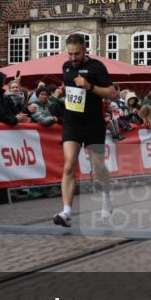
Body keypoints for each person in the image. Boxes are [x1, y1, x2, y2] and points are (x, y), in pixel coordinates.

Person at [53, 33, 116, 228]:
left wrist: (89, 86)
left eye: (76, 54)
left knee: (98, 168)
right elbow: (68, 85)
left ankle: (106, 195)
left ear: (84, 50)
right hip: (72, 122)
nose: (72, 58)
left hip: (93, 123)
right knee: (69, 164)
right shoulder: (66, 67)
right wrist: (61, 91)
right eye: (69, 54)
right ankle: (66, 211)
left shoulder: (97, 67)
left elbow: (112, 93)